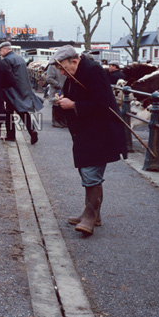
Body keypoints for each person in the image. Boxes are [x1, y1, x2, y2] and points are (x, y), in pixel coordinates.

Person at [52, 45, 127, 236]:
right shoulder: (72, 75)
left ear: (74, 61)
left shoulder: (93, 71)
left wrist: (74, 105)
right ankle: (92, 212)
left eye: (62, 68)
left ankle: (90, 217)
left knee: (91, 171)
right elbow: (74, 97)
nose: (61, 72)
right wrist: (62, 101)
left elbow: (102, 103)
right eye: (59, 69)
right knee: (86, 170)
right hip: (85, 131)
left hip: (100, 132)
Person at [0, 41, 44, 144]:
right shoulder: (19, 58)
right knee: (23, 112)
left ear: (6, 49)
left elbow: (6, 77)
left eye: (1, 51)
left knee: (9, 113)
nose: (0, 53)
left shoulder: (7, 60)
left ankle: (11, 135)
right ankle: (32, 130)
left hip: (11, 91)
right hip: (22, 90)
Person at [45, 59, 68, 128]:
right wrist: (58, 85)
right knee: (56, 106)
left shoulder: (63, 64)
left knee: (61, 106)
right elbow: (49, 78)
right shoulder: (52, 66)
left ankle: (61, 121)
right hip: (56, 89)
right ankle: (55, 122)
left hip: (63, 88)